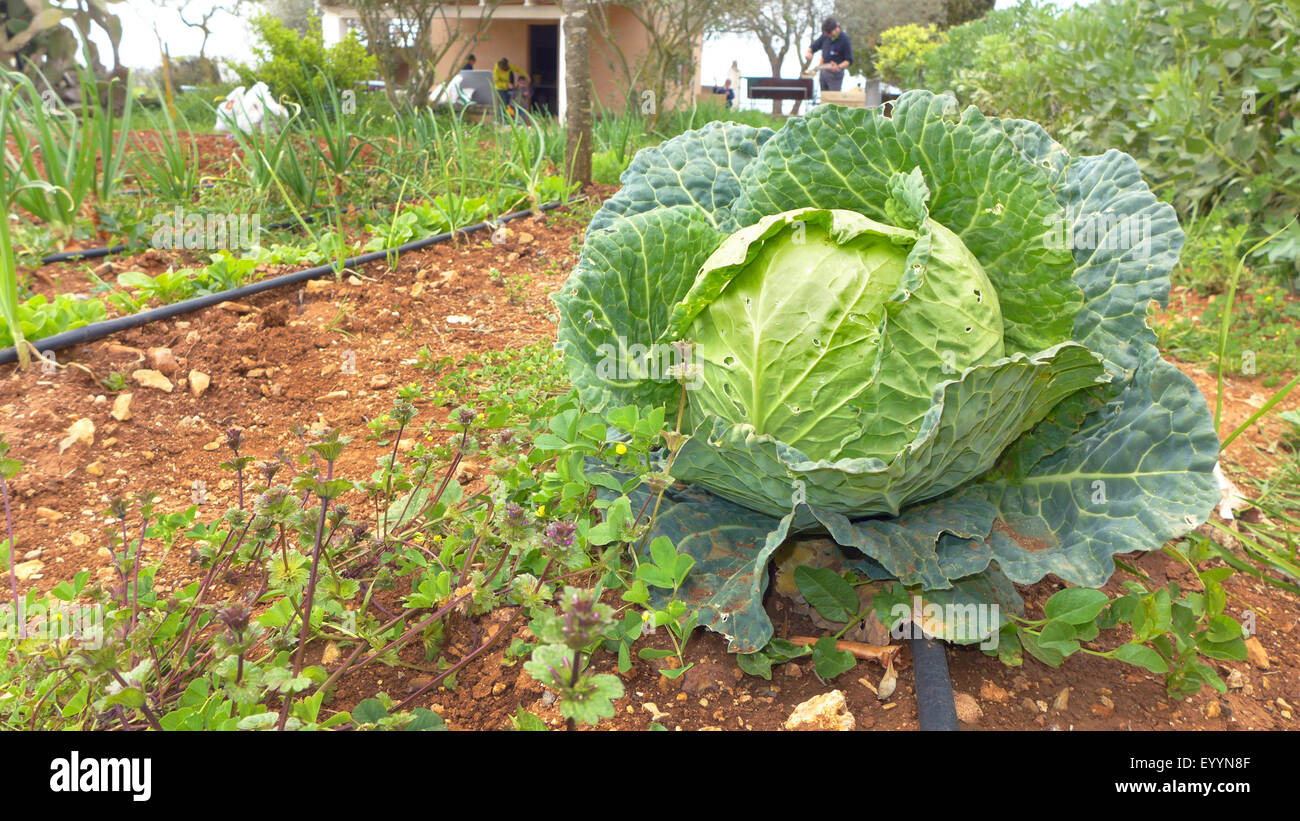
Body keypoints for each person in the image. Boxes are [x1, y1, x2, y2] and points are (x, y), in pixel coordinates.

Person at [805, 17, 853, 93]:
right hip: (824, 72)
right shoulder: (825, 36)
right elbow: (813, 47)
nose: (828, 35)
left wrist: (838, 67)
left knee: (832, 99)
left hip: (836, 75)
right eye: (826, 34)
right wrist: (809, 53)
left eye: (829, 33)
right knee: (824, 98)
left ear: (836, 29)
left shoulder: (845, 39)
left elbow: (849, 60)